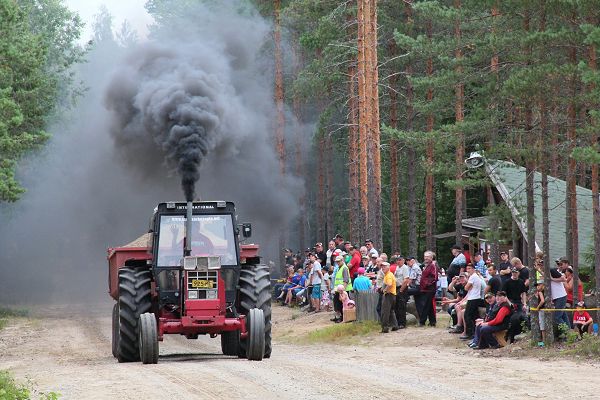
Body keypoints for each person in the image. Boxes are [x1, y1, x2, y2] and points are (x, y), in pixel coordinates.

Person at [502, 268, 527, 343]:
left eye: (515, 272)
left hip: (518, 302)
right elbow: (504, 294)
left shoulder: (521, 281)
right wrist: (510, 303)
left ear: (518, 273)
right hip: (509, 301)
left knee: (520, 318)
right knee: (512, 319)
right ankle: (509, 336)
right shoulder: (507, 282)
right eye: (513, 272)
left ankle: (515, 335)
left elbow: (524, 293)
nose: (514, 274)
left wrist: (524, 303)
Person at [461, 264, 485, 340]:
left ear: (473, 269)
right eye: (467, 269)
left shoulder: (473, 277)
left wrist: (468, 286)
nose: (468, 270)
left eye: (470, 268)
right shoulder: (476, 277)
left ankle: (470, 333)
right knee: (474, 316)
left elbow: (466, 288)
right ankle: (475, 332)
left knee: (467, 316)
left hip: (473, 298)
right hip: (476, 297)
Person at [417, 251, 438, 327]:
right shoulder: (426, 265)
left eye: (428, 256)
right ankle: (432, 321)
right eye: (425, 256)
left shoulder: (433, 265)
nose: (426, 258)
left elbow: (434, 277)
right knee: (429, 306)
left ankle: (422, 321)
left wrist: (426, 284)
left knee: (425, 305)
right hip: (425, 288)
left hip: (429, 289)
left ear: (431, 258)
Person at [331, 255, 352, 323]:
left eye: (339, 261)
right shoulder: (339, 268)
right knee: (337, 303)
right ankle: (339, 317)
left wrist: (342, 292)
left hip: (343, 290)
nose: (338, 262)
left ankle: (342, 318)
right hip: (339, 290)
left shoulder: (344, 268)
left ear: (342, 260)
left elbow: (346, 280)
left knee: (342, 304)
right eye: (337, 261)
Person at [549, 264, 570, 329]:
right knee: (563, 315)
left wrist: (552, 279)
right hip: (557, 297)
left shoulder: (552, 270)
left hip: (560, 296)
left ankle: (567, 332)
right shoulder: (545, 271)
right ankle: (569, 330)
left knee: (557, 317)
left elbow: (563, 279)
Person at [380, 262, 397, 333]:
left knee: (385, 312)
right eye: (382, 266)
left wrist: (384, 290)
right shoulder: (389, 274)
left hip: (389, 295)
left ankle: (385, 328)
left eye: (384, 266)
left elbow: (389, 284)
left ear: (388, 267)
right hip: (393, 295)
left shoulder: (388, 275)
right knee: (391, 311)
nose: (383, 268)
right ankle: (395, 325)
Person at [394, 256, 410, 329]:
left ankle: (402, 323)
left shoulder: (405, 268)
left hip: (402, 287)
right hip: (396, 287)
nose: (398, 262)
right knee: (397, 306)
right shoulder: (397, 268)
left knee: (402, 306)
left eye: (400, 260)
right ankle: (398, 322)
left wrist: (401, 290)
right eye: (397, 260)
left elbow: (406, 279)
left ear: (403, 260)